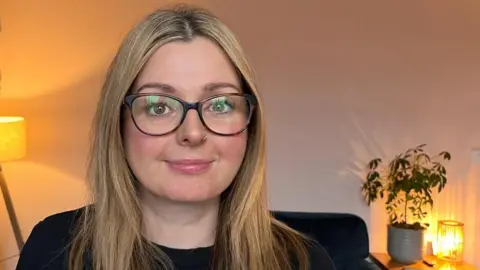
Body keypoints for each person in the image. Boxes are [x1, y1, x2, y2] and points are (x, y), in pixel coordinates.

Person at [16, 4, 335, 270]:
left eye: (221, 104)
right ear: (119, 124)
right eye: (158, 107)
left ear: (250, 125)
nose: (193, 133)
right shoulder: (53, 249)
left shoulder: (304, 261)